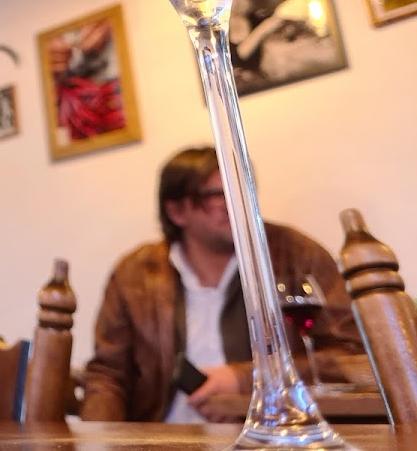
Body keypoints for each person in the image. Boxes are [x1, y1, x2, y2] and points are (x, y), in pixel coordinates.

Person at [81, 145, 364, 423]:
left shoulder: (298, 254)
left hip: (273, 432)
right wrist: (98, 441)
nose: (236, 203)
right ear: (177, 211)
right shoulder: (134, 273)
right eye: (218, 195)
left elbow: (352, 358)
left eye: (243, 191)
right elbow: (108, 374)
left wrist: (243, 380)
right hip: (162, 436)